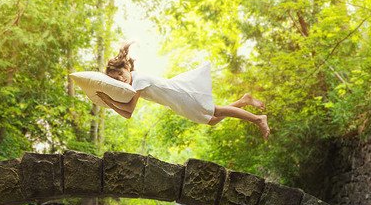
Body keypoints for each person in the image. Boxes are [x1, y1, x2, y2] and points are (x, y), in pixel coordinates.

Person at [96, 43, 270, 139]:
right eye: (116, 78)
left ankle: (258, 119)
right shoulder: (133, 86)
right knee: (212, 120)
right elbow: (126, 113)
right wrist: (109, 101)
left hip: (180, 95)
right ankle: (244, 101)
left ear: (127, 67)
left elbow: (128, 111)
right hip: (176, 102)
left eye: (120, 73)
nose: (120, 78)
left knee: (216, 111)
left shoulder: (138, 79)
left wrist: (108, 101)